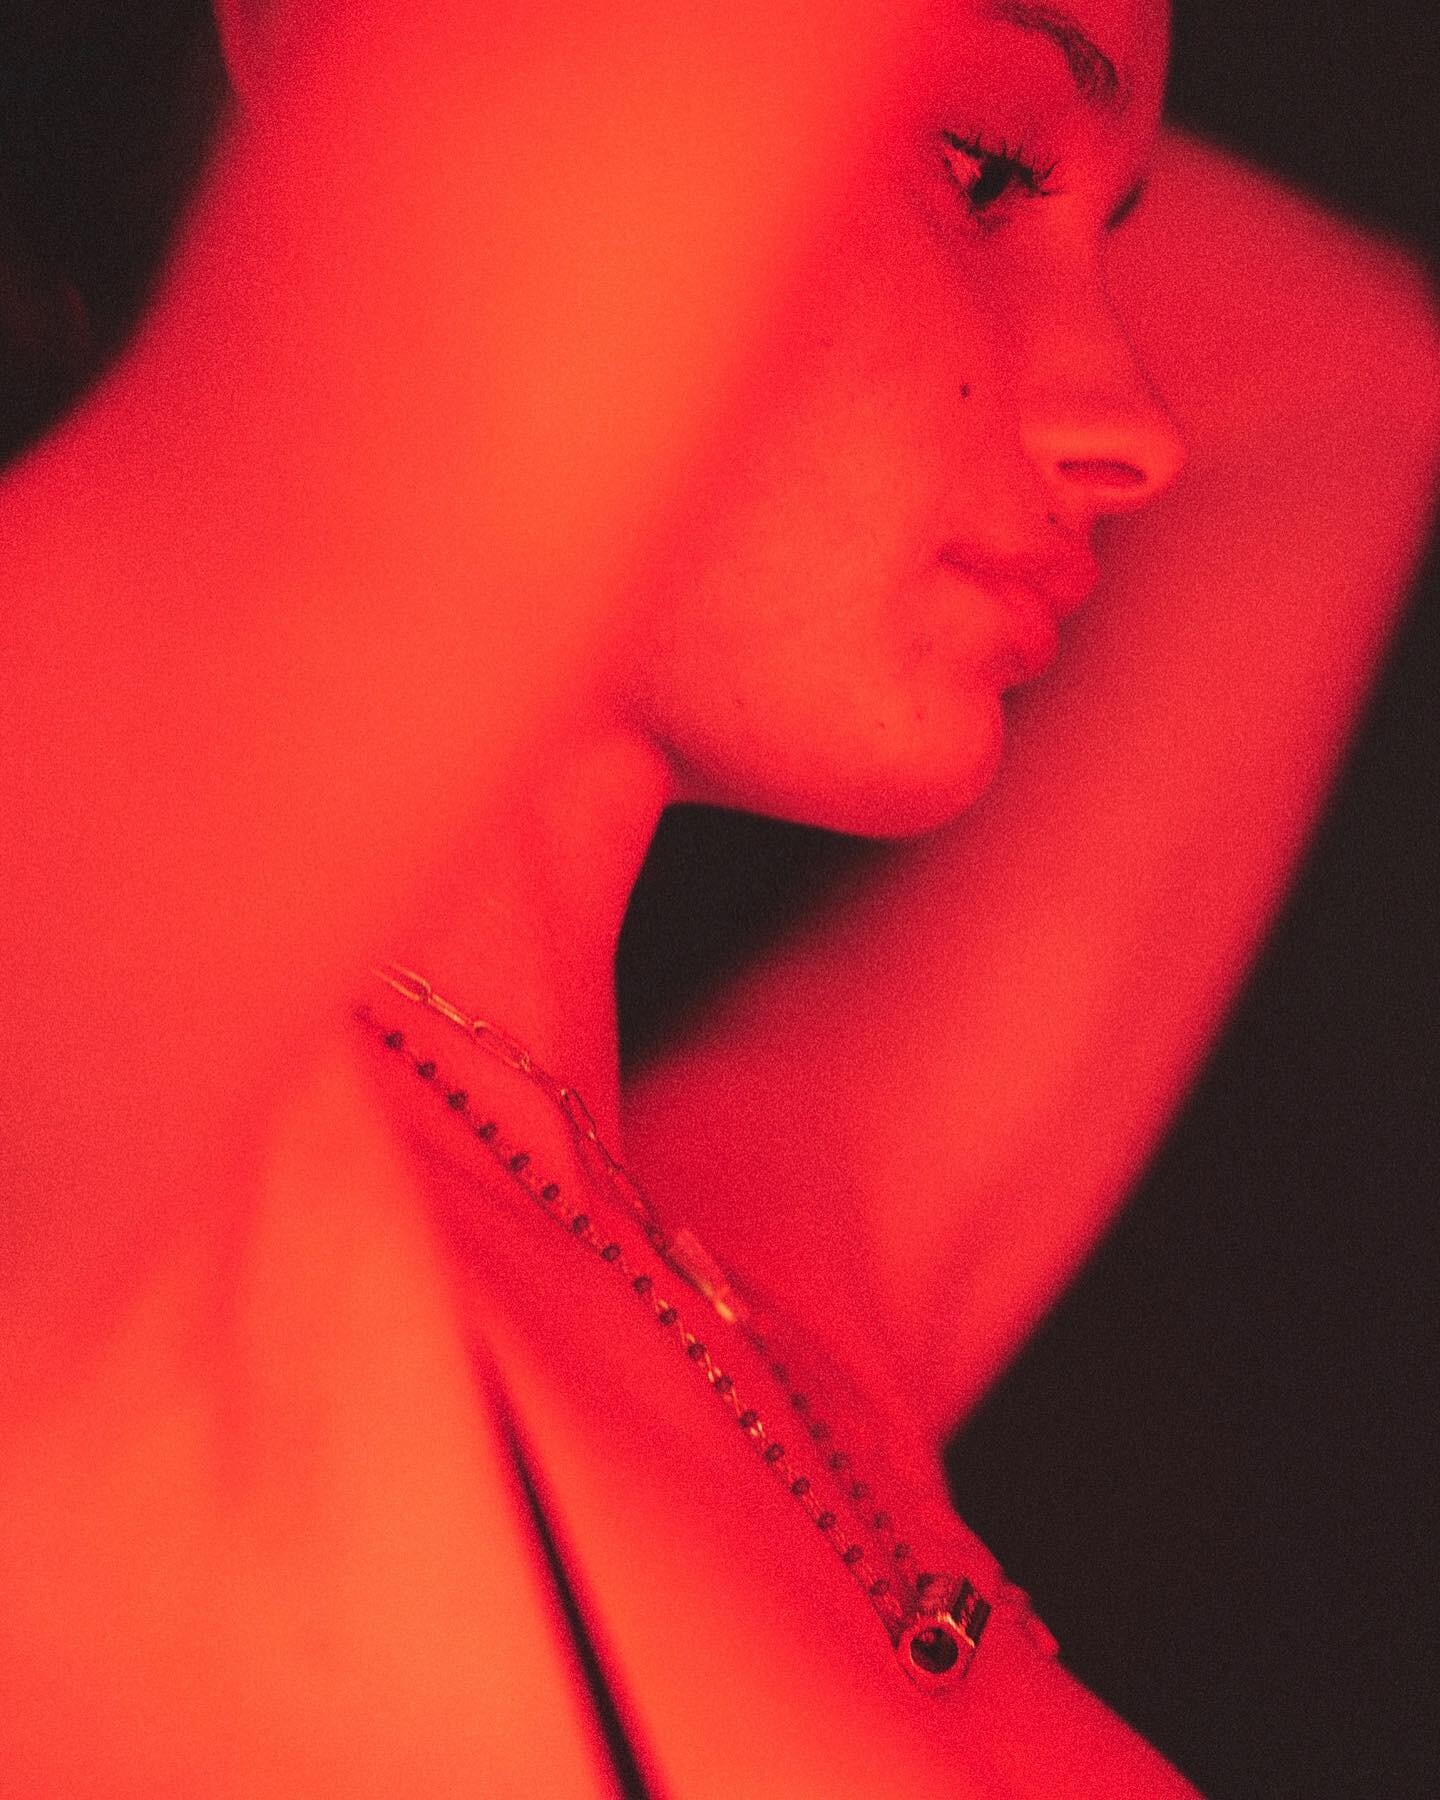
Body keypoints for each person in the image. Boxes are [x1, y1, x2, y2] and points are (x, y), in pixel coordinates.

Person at [1, 0, 1436, 1793]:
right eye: (980, 178)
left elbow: (1329, 382)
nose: (1130, 423)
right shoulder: (69, 1041)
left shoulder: (747, 1315)